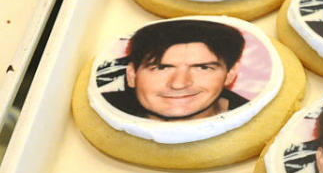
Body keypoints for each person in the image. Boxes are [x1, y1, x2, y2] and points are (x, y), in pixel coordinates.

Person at [103, 19, 248, 121]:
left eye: (203, 68)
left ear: (230, 75)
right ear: (132, 75)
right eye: (161, 68)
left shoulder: (250, 114)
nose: (179, 84)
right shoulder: (104, 107)